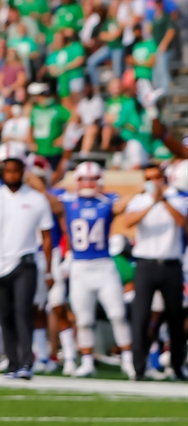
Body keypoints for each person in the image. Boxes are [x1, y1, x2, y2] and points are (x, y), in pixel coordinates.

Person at [0, 143, 55, 380]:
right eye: (7, 171)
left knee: (23, 312)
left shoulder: (37, 199)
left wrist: (49, 269)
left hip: (25, 262)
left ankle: (27, 363)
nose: (11, 175)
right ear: (0, 172)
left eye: (16, 170)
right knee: (5, 315)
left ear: (23, 171)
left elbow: (47, 237)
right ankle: (12, 361)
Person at [61, 161, 135, 378]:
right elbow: (46, 194)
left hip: (104, 266)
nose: (88, 183)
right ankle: (86, 361)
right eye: (84, 179)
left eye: (92, 179)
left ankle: (128, 360)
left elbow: (122, 205)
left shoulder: (107, 200)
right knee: (83, 319)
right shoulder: (68, 201)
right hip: (80, 266)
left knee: (118, 314)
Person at [123, 162, 186, 380]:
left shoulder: (176, 198)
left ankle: (177, 366)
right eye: (148, 178)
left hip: (170, 264)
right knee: (140, 316)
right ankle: (138, 368)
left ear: (164, 179)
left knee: (175, 318)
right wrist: (151, 203)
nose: (153, 182)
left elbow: (182, 222)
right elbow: (128, 220)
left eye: (156, 178)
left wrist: (164, 201)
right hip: (145, 264)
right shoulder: (140, 200)